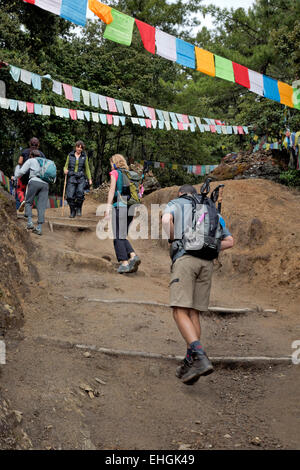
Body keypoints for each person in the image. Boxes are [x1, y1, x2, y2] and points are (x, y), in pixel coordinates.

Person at [162, 184, 234, 385]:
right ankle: (190, 360)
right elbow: (230, 241)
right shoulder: (211, 209)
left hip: (186, 260)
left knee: (179, 310)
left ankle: (200, 357)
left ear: (181, 194)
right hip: (207, 264)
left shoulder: (177, 203)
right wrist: (207, 244)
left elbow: (166, 220)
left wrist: (173, 239)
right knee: (193, 312)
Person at [105, 154, 140, 274]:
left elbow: (111, 190)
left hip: (120, 206)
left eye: (111, 163)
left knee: (118, 236)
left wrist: (108, 207)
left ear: (114, 163)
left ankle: (124, 263)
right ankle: (133, 255)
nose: (111, 166)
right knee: (122, 235)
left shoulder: (115, 173)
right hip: (131, 207)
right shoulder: (130, 174)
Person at [14, 149, 49, 236]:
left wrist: (16, 176)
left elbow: (21, 172)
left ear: (31, 155)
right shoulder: (45, 162)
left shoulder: (31, 160)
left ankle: (30, 222)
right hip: (45, 185)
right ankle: (39, 228)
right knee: (41, 206)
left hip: (34, 182)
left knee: (28, 202)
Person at [64, 141, 92, 218]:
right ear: (75, 147)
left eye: (81, 147)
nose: (79, 149)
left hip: (81, 177)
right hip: (71, 176)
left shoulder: (84, 156)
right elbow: (65, 166)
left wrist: (89, 179)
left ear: (82, 149)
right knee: (69, 196)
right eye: (78, 147)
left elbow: (87, 168)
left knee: (80, 194)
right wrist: (65, 170)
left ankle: (79, 207)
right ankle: (73, 210)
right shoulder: (70, 155)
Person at [17, 137, 45, 213]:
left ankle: (22, 200)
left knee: (20, 190)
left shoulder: (25, 151)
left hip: (24, 176)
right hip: (35, 177)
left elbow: (19, 162)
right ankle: (28, 211)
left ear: (30, 143)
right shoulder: (41, 154)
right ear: (38, 144)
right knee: (32, 194)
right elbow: (44, 166)